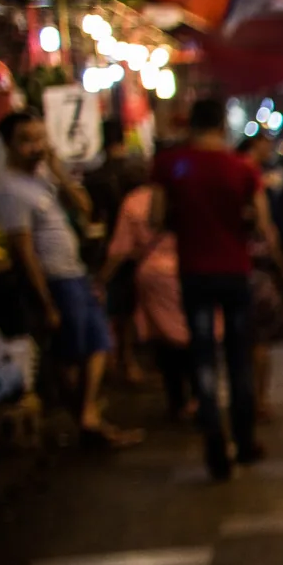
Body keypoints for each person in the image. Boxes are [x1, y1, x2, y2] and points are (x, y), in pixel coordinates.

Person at [153, 97, 283, 480]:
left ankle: (213, 437)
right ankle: (244, 441)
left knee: (203, 358)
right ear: (222, 126)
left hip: (193, 272)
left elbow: (156, 217)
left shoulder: (171, 166)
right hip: (235, 271)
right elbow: (264, 226)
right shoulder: (241, 169)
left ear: (190, 126)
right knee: (238, 357)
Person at [0, 111, 139, 447]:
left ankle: (87, 414)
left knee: (99, 342)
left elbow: (84, 205)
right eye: (26, 140)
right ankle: (85, 419)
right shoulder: (10, 190)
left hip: (74, 273)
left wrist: (58, 170)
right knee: (71, 351)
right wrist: (44, 300)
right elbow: (24, 250)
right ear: (8, 145)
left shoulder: (42, 177)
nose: (35, 147)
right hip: (54, 279)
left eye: (40, 138)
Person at [97, 171, 198, 423]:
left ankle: (177, 400)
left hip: (153, 277)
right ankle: (199, 395)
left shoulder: (135, 201)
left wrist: (101, 278)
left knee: (165, 340)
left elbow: (121, 248)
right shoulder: (187, 194)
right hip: (190, 270)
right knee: (193, 334)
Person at [235, 137, 283, 421]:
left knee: (239, 343)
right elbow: (267, 231)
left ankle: (245, 399)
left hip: (227, 272)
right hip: (255, 274)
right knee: (259, 341)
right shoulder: (251, 179)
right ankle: (257, 400)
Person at [86, 119, 147, 384]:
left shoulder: (95, 176)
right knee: (132, 307)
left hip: (111, 245)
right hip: (141, 247)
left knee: (115, 307)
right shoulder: (139, 169)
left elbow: (93, 216)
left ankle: (116, 360)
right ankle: (129, 360)